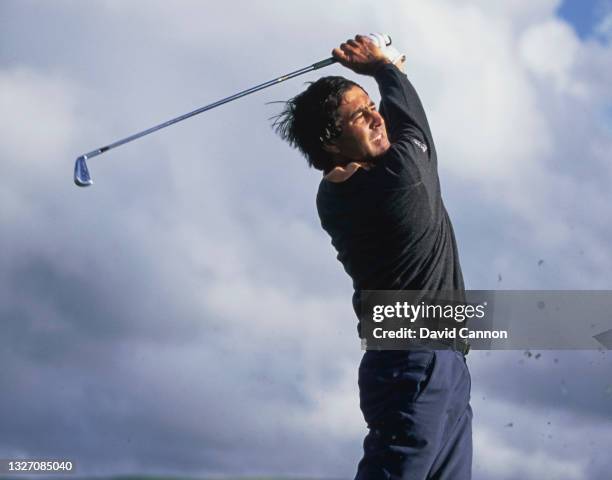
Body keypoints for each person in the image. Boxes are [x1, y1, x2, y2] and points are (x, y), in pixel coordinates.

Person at [274, 34, 472, 480]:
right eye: (359, 115)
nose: (375, 117)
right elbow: (412, 123)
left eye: (372, 106)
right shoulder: (402, 178)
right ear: (331, 140)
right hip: (413, 361)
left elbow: (397, 119)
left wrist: (388, 70)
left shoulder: (334, 194)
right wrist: (384, 66)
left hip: (440, 363)